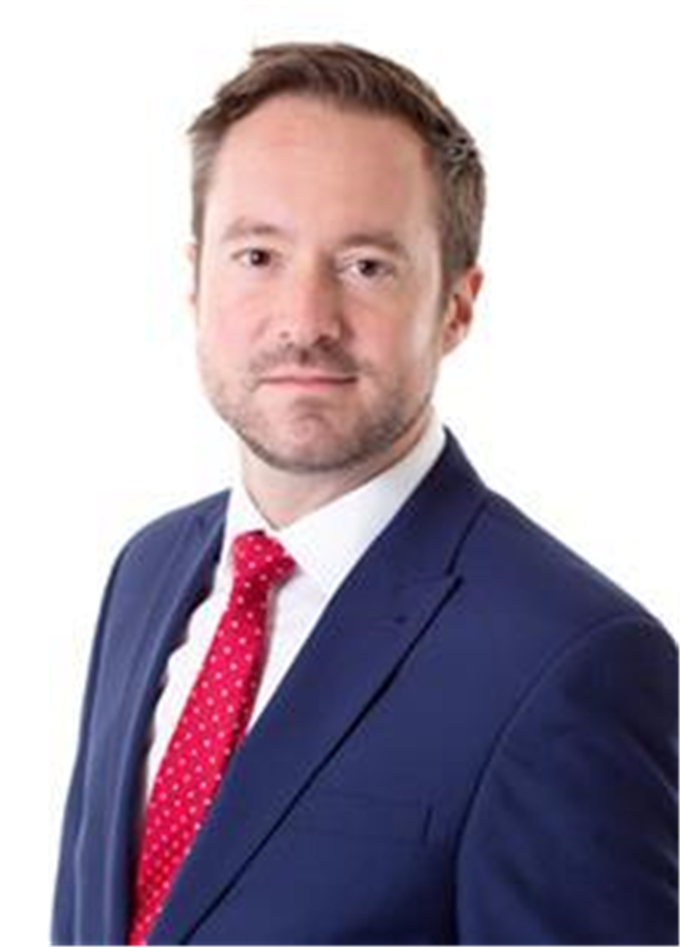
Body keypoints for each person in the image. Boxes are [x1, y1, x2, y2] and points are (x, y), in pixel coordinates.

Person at [52, 42, 677, 946]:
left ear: (457, 307)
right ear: (195, 280)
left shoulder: (572, 663)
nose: (304, 320)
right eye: (258, 254)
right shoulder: (146, 572)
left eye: (366, 266)